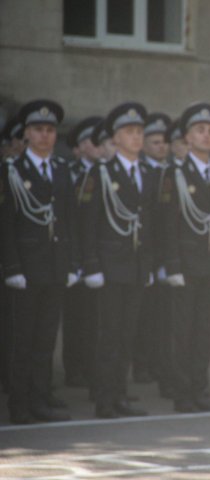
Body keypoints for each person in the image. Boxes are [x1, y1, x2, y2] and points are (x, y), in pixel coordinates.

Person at [1, 99, 79, 424]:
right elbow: (6, 225)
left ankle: (41, 398)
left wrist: (72, 264)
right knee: (23, 341)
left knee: (46, 340)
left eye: (50, 130)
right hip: (27, 270)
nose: (45, 136)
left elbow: (69, 221)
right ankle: (20, 405)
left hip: (55, 268)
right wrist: (12, 268)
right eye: (38, 130)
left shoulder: (61, 170)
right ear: (27, 134)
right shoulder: (13, 171)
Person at [79, 102, 157, 418]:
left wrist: (150, 265)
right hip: (110, 266)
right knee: (108, 335)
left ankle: (120, 394)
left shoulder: (149, 174)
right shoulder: (101, 173)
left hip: (136, 267)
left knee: (127, 335)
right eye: (129, 132)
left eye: (139, 132)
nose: (136, 137)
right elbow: (88, 224)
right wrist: (92, 265)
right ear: (115, 137)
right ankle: (105, 398)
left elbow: (151, 225)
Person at [159, 102, 210, 413]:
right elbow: (168, 223)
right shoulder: (174, 173)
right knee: (182, 332)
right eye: (200, 130)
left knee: (204, 331)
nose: (206, 135)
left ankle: (200, 389)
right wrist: (172, 264)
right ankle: (182, 392)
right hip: (185, 265)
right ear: (188, 137)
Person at [62, 115, 103, 389]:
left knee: (96, 320)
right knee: (75, 317)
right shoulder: (68, 172)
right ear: (80, 146)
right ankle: (73, 368)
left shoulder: (105, 173)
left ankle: (93, 369)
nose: (95, 145)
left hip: (101, 257)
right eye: (89, 141)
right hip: (74, 256)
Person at [132, 112, 172, 386]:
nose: (161, 146)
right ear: (145, 144)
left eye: (164, 142)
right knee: (142, 319)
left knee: (163, 318)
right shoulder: (143, 172)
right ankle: (141, 366)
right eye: (155, 142)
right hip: (141, 257)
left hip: (165, 258)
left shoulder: (169, 173)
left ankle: (159, 365)